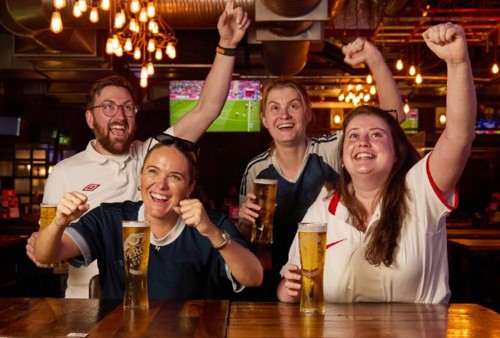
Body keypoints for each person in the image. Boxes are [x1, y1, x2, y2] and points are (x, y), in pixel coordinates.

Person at [26, 0, 251, 298]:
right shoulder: (65, 172)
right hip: (87, 300)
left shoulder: (154, 154)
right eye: (108, 107)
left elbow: (207, 108)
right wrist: (50, 241)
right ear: (90, 118)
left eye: (127, 107)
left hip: (153, 292)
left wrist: (226, 45)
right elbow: (46, 255)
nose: (119, 116)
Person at [278, 23, 476, 304]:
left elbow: (458, 136)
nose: (363, 142)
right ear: (343, 158)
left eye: (376, 135)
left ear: (396, 152)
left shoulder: (419, 191)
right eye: (354, 136)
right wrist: (287, 290)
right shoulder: (323, 210)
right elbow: (288, 288)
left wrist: (457, 62)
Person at [237, 37, 406, 300]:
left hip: (338, 274)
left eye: (293, 106)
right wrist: (245, 222)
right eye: (275, 108)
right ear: (264, 120)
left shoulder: (332, 148)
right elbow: (246, 240)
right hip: (280, 279)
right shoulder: (255, 170)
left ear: (308, 113)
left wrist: (376, 61)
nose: (284, 115)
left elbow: (392, 121)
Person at [33, 136, 263, 300]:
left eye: (174, 177)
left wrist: (212, 233)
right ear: (141, 176)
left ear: (190, 186)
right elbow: (45, 255)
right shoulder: (110, 217)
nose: (160, 185)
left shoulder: (210, 224)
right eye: (153, 171)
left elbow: (254, 278)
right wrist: (59, 222)